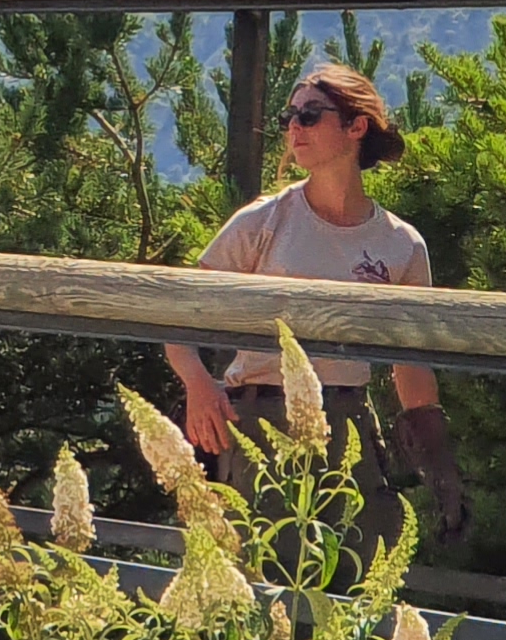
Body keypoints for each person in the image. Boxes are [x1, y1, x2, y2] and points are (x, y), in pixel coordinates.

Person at [162, 63, 472, 539]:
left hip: (347, 426)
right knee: (262, 584)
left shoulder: (401, 245)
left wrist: (437, 459)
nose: (293, 127)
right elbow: (177, 314)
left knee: (352, 579)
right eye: (289, 116)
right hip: (261, 421)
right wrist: (199, 386)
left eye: (309, 115)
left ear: (356, 126)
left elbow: (410, 366)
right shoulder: (261, 223)